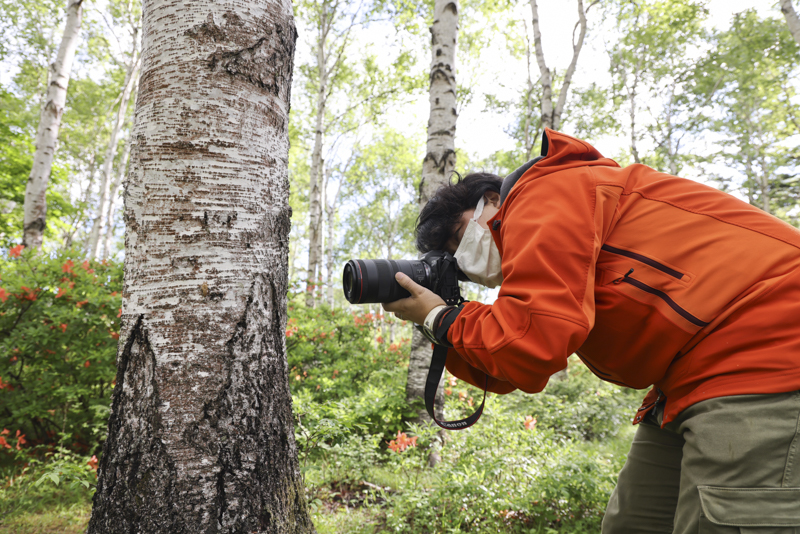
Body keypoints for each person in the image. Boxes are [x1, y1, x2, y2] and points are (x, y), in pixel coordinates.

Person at [382, 129, 800, 534]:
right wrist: (437, 324)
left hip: (766, 345)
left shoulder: (543, 191)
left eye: (459, 237)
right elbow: (512, 368)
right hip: (690, 375)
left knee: (721, 519)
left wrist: (442, 319)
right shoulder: (549, 252)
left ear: (491, 200)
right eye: (455, 259)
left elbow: (531, 344)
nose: (465, 260)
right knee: (633, 524)